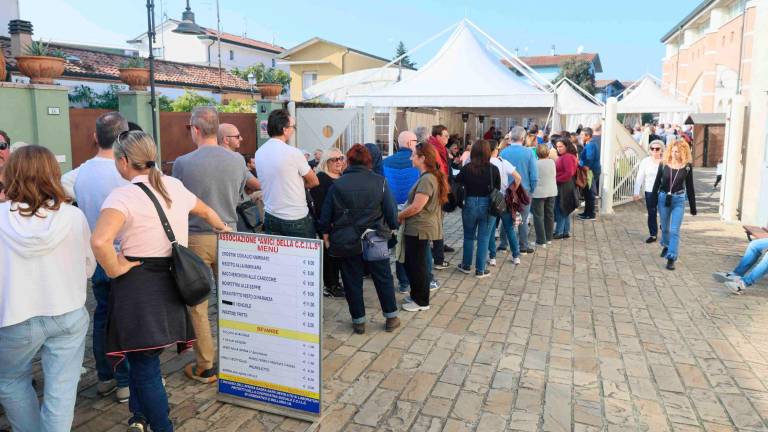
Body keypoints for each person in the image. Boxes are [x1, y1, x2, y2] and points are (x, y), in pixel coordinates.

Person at [92, 131, 229, 431]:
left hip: (138, 287)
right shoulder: (174, 186)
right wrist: (226, 232)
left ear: (125, 161)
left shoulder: (122, 195)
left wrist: (114, 268)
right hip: (171, 283)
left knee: (144, 365)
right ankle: (139, 417)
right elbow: (207, 212)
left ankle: (161, 425)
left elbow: (100, 241)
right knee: (144, 360)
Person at [0, 145, 94, 432]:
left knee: (11, 381)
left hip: (14, 315)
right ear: (53, 173)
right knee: (62, 392)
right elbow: (88, 266)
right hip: (67, 311)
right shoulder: (73, 216)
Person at [172, 107, 259, 385]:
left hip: (196, 237)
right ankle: (240, 358)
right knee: (234, 301)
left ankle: (206, 365)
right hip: (230, 234)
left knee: (198, 305)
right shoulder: (237, 161)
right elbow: (239, 194)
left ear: (195, 129)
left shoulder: (182, 163)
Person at [71, 112, 132, 402]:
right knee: (124, 323)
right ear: (124, 136)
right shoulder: (127, 172)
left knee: (102, 318)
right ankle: (124, 381)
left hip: (95, 258)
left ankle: (105, 378)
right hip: (125, 258)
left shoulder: (80, 173)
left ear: (96, 137)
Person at [319, 144, 400, 334]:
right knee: (383, 278)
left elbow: (325, 216)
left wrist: (325, 233)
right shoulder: (380, 182)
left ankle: (359, 321)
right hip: (375, 238)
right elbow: (391, 213)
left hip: (346, 240)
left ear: (348, 161)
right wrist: (392, 228)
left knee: (351, 280)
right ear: (368, 161)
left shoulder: (337, 184)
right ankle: (391, 317)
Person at [383, 131, 439, 294]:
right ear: (409, 144)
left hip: (394, 208)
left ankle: (403, 283)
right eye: (416, 141)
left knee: (401, 246)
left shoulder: (386, 162)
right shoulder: (418, 163)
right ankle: (427, 280)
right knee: (422, 248)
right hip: (414, 210)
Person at [397, 142, 449, 312]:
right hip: (420, 227)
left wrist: (398, 216)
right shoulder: (428, 176)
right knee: (415, 264)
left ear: (423, 158)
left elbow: (417, 207)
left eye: (414, 155)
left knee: (417, 265)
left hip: (419, 228)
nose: (411, 157)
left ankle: (421, 301)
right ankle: (416, 295)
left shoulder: (427, 179)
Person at [255, 109, 319, 238]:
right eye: (292, 127)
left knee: (278, 258)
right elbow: (314, 181)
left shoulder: (259, 153)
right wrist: (300, 183)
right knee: (306, 257)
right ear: (284, 129)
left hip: (270, 216)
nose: (293, 130)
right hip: (295, 217)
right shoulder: (293, 153)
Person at [455, 139, 500, 278]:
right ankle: (480, 269)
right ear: (488, 152)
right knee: (484, 238)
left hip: (469, 204)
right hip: (488, 205)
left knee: (468, 236)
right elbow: (497, 189)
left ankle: (466, 265)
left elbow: (457, 184)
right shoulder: (493, 169)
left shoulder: (466, 168)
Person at [652, 139, 697, 271]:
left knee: (674, 230)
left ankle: (671, 257)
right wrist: (653, 203)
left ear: (683, 152)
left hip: (678, 199)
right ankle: (666, 245)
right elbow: (656, 184)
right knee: (665, 228)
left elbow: (690, 187)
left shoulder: (687, 167)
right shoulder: (664, 164)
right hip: (663, 198)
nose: (674, 154)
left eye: (677, 152)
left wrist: (693, 208)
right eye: (672, 151)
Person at [310, 148, 345, 298]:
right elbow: (318, 205)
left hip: (342, 224)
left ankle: (336, 282)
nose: (339, 162)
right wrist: (325, 226)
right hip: (327, 224)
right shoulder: (321, 178)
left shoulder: (344, 177)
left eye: (341, 158)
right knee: (329, 256)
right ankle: (330, 285)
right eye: (334, 159)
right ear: (326, 162)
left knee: (338, 256)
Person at [500, 126, 538, 254]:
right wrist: (532, 189)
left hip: (507, 190)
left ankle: (503, 244)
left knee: (505, 217)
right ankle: (523, 245)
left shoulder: (504, 152)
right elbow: (534, 174)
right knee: (523, 218)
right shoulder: (528, 152)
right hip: (524, 189)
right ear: (523, 138)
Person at [487, 139, 522, 265]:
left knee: (491, 229)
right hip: (503, 197)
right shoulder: (502, 161)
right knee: (509, 228)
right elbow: (518, 178)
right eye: (497, 148)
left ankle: (492, 257)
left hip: (490, 198)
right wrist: (512, 190)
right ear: (494, 150)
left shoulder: (483, 163)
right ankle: (516, 255)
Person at [427, 125, 454, 264]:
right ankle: (438, 256)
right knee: (436, 222)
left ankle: (438, 248)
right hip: (436, 190)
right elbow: (439, 171)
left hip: (440, 188)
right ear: (437, 136)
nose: (448, 138)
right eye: (446, 135)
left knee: (439, 221)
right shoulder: (433, 149)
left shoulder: (441, 148)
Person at [633, 140, 665, 243]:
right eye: (652, 149)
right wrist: (636, 192)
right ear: (650, 150)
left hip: (663, 191)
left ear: (661, 150)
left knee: (664, 212)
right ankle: (653, 234)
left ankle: (664, 228)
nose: (655, 151)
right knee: (652, 212)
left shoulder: (665, 161)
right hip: (650, 191)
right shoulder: (646, 161)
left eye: (657, 149)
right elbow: (640, 177)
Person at [531, 144, 557, 247]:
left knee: (538, 216)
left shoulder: (536, 164)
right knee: (549, 214)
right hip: (551, 191)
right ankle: (549, 237)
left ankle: (541, 240)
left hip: (538, 193)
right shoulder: (552, 162)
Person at [553, 138, 579, 239]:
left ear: (566, 146)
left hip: (564, 185)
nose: (558, 148)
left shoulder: (567, 157)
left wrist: (555, 179)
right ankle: (565, 231)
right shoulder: (566, 156)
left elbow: (569, 173)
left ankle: (560, 232)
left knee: (561, 208)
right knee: (565, 208)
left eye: (561, 146)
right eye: (557, 146)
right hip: (565, 184)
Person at [577, 127, 601, 220]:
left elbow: (589, 158)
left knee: (589, 192)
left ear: (587, 136)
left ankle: (590, 214)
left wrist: (585, 168)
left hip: (589, 172)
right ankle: (586, 212)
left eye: (582, 135)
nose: (581, 136)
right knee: (587, 193)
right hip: (590, 171)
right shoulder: (591, 143)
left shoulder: (590, 145)